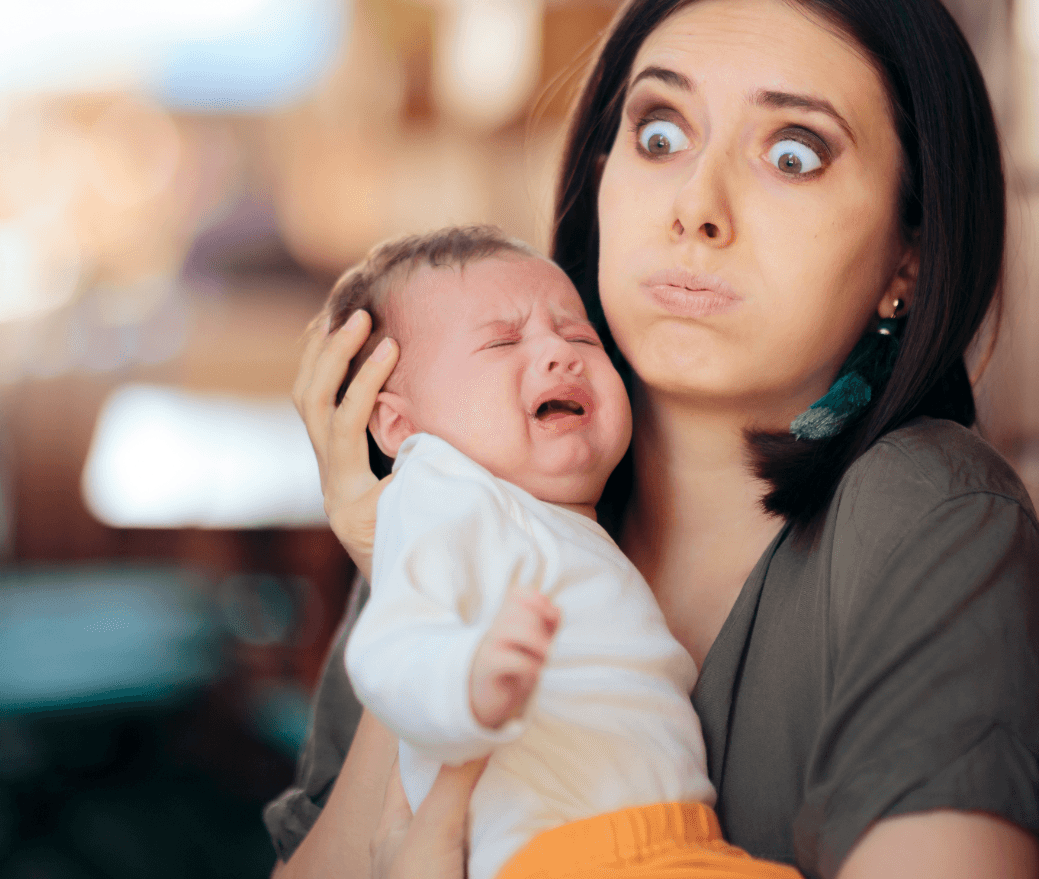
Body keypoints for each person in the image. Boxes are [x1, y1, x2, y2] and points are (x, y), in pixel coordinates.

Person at [271, 0, 1039, 878]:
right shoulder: (468, 475)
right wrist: (406, 566)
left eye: (793, 154)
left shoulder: (932, 517)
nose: (696, 209)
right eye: (660, 135)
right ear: (602, 176)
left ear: (908, 261)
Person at [321, 225, 799, 879]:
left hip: (680, 841)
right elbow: (387, 646)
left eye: (581, 337)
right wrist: (468, 680)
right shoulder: (441, 487)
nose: (560, 354)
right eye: (503, 341)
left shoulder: (557, 521)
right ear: (401, 425)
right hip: (562, 856)